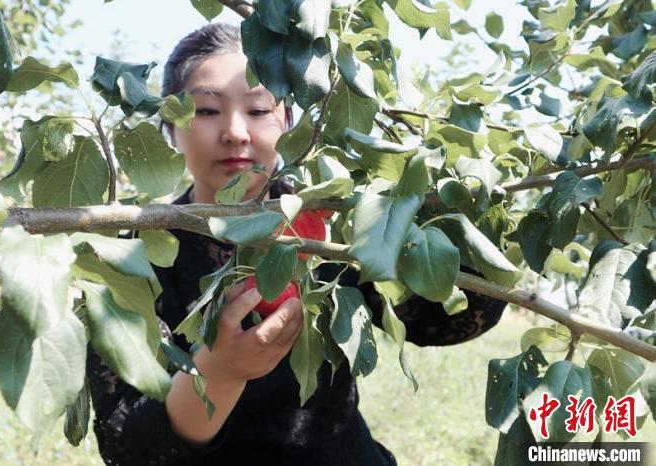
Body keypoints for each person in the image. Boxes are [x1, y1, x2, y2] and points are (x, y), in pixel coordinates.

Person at [86, 22, 507, 466]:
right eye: (207, 111)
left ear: (286, 119)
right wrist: (222, 372)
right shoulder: (130, 257)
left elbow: (441, 320)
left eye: (258, 109)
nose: (235, 132)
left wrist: (444, 205)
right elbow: (128, 443)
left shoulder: (333, 221)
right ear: (171, 126)